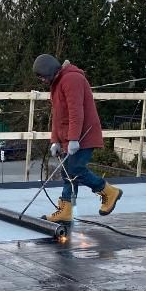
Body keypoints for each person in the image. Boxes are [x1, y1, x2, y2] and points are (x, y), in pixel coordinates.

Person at [32, 53, 122, 222]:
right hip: (71, 137)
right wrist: (55, 141)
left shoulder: (71, 79)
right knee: (68, 173)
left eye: (43, 76)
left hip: (84, 135)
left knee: (75, 170)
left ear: (50, 70)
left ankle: (109, 192)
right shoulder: (57, 84)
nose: (42, 81)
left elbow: (76, 112)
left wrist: (74, 138)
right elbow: (58, 116)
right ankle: (65, 211)